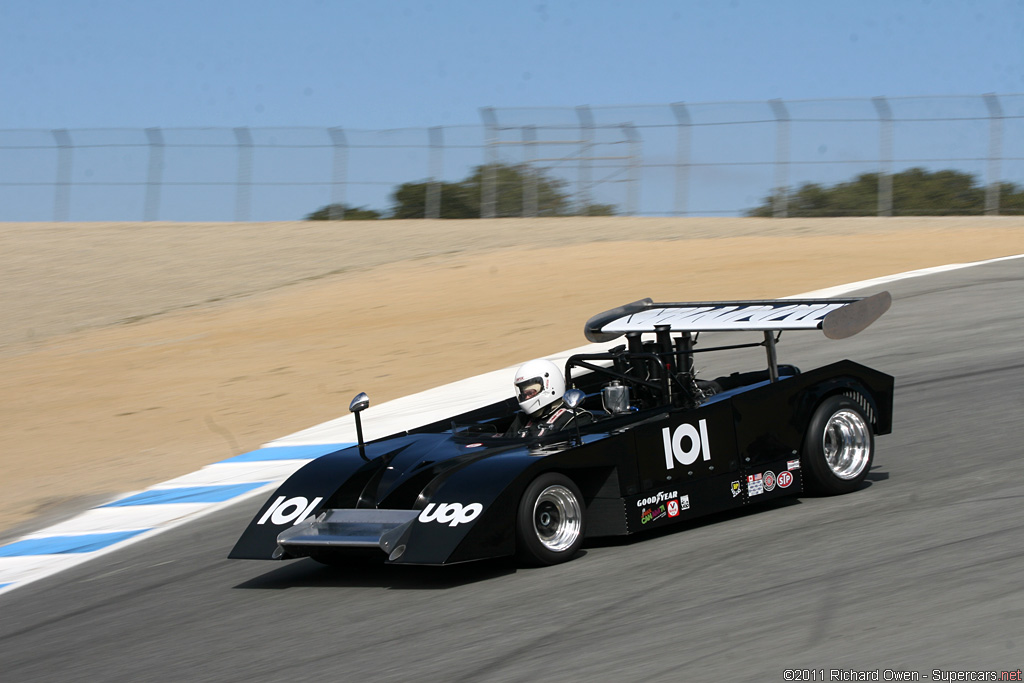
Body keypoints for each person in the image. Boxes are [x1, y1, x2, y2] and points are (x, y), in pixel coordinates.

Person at [505, 359, 593, 438]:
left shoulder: (576, 419)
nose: (527, 397)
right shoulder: (522, 419)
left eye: (530, 393)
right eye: (524, 395)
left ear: (550, 387)